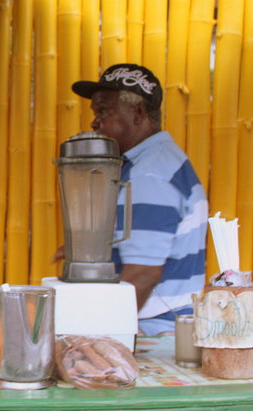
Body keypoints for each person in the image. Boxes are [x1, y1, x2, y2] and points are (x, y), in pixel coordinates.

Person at [71, 63, 208, 336]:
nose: (94, 122)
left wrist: (95, 339)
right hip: (161, 327)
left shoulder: (150, 175)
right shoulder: (156, 162)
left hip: (153, 335)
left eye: (103, 112)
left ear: (137, 113)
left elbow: (142, 275)